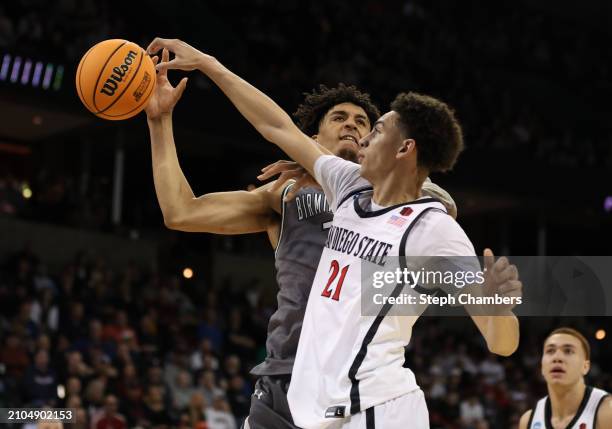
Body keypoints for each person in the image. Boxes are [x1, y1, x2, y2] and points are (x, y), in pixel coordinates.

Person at [147, 37, 523, 429]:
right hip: (286, 377)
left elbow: (499, 338)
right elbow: (270, 129)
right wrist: (193, 81)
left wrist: (495, 304)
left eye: (368, 125)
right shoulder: (293, 192)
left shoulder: (426, 218)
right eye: (340, 119)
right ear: (312, 141)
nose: (357, 131)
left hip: (358, 389)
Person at [519, 327, 611, 429]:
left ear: (585, 367)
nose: (557, 358)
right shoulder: (527, 421)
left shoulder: (607, 412)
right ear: (542, 367)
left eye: (568, 351)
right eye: (550, 351)